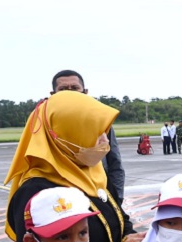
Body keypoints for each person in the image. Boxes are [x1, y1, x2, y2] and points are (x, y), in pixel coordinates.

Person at [4, 90, 139, 242]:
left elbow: (118, 216)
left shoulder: (93, 172)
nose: (104, 141)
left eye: (105, 132)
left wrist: (133, 241)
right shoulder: (35, 191)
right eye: (94, 132)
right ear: (67, 135)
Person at [51, 70, 126, 204]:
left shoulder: (100, 121)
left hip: (99, 194)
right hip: (62, 200)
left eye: (75, 88)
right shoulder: (44, 124)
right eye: (63, 89)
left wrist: (116, 200)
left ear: (85, 92)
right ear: (53, 94)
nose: (70, 93)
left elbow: (115, 164)